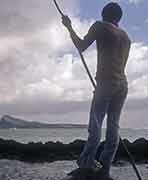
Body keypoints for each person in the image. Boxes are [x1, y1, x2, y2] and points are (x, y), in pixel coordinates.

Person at [62, 2, 131, 178]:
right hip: (122, 85)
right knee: (113, 126)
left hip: (106, 83)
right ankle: (105, 169)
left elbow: (81, 45)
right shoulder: (126, 37)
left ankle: (86, 164)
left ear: (103, 14)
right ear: (119, 18)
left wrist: (69, 27)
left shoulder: (100, 26)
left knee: (95, 124)